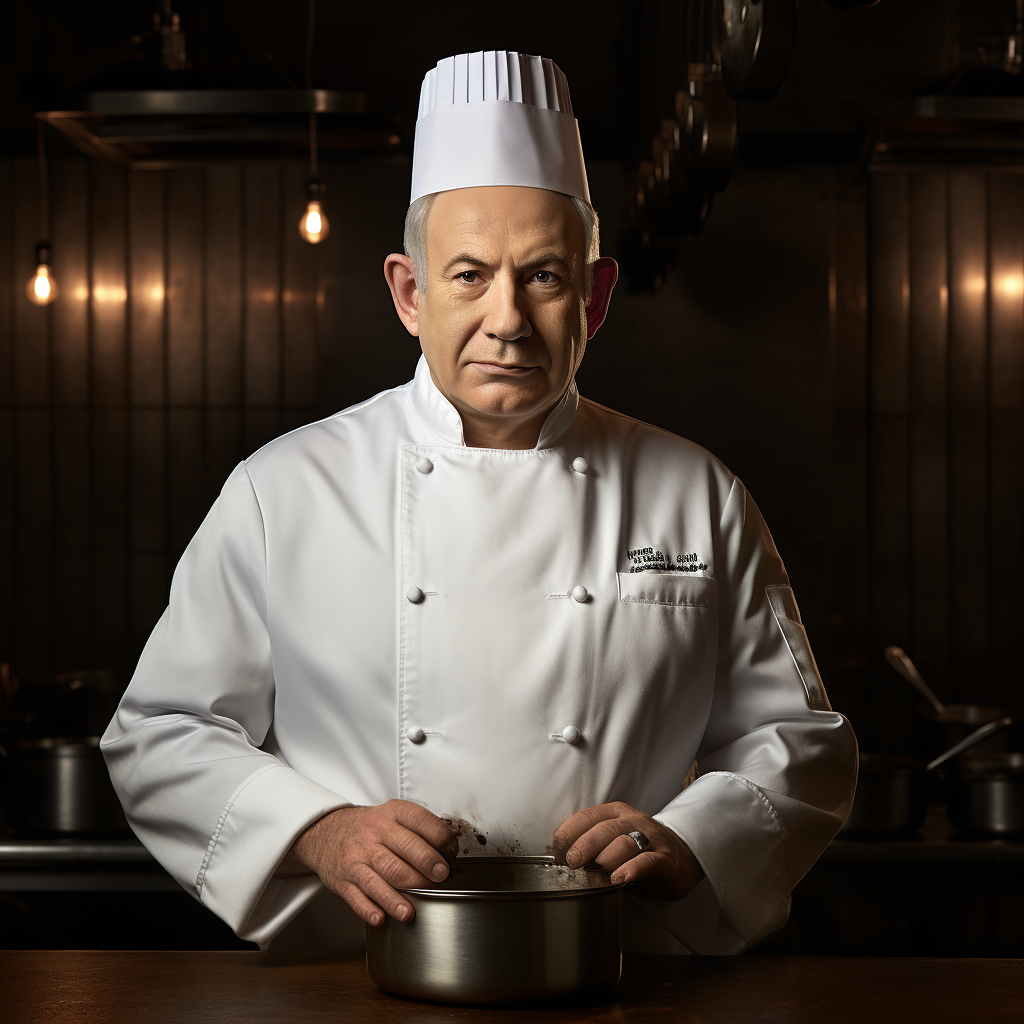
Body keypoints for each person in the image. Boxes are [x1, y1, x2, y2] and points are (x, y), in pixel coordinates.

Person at [101, 51, 857, 955]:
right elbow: (160, 732)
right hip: (356, 985)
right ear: (409, 293)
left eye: (543, 275)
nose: (507, 319)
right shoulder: (284, 490)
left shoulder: (698, 494)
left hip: (619, 974)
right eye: (468, 276)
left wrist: (695, 837)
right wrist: (317, 830)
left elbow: (800, 739)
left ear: (596, 296)